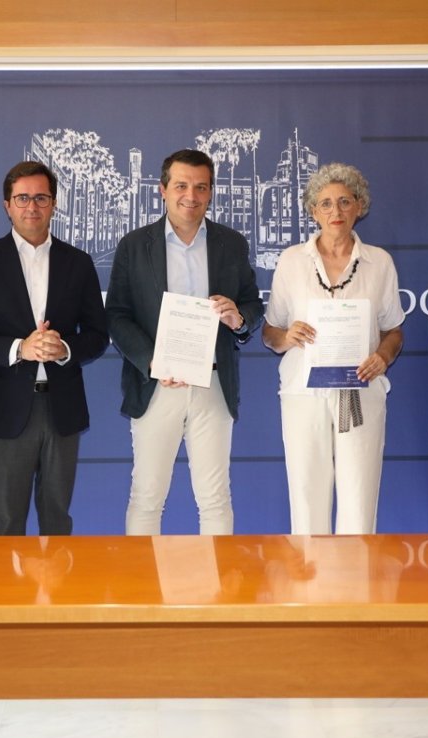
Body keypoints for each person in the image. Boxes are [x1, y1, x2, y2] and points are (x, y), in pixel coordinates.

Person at [106, 148, 263, 535]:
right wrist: (152, 361)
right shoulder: (134, 245)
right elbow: (117, 315)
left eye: (201, 187)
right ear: (162, 189)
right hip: (157, 385)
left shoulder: (231, 243)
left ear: (211, 192)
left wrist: (239, 318)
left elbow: (252, 304)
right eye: (181, 186)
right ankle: (143, 578)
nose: (190, 196)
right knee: (146, 498)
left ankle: (216, 578)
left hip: (213, 384)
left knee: (215, 499)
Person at [0, 161, 108, 535]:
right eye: (22, 198)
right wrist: (20, 348)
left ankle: (57, 578)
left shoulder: (78, 263)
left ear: (54, 204)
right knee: (8, 522)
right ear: (7, 205)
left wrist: (64, 349)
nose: (32, 206)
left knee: (57, 519)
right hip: (5, 408)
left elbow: (98, 335)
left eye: (41, 198)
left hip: (62, 407)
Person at [262, 163, 404, 534]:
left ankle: (355, 573)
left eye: (344, 201)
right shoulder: (291, 260)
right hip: (303, 394)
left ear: (360, 206)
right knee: (307, 498)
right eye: (325, 203)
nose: (335, 211)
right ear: (313, 211)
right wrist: (287, 336)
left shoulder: (379, 262)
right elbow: (270, 333)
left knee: (359, 499)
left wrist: (382, 357)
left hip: (360, 392)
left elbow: (393, 331)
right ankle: (310, 574)